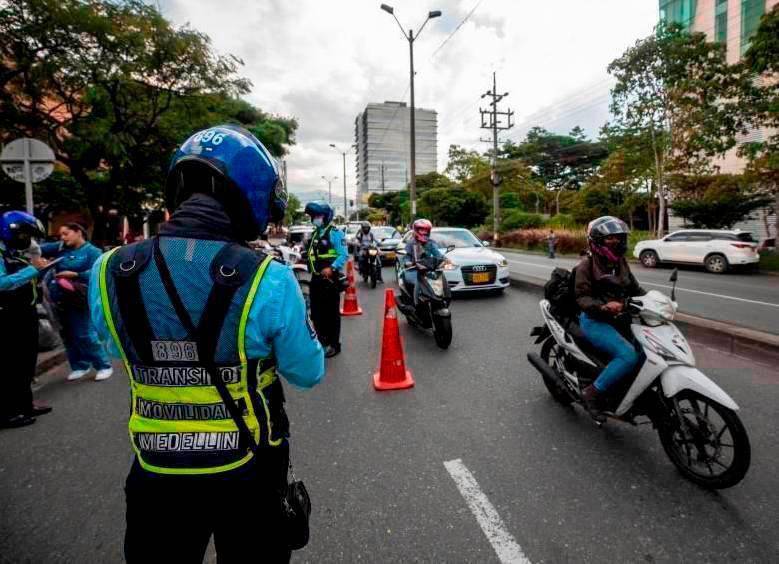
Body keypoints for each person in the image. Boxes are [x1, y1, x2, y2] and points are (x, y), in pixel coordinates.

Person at [88, 124, 324, 563]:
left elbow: (115, 350)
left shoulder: (107, 271)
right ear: (252, 194)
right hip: (249, 468)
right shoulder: (266, 278)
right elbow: (308, 372)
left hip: (156, 472)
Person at [574, 216, 645, 422]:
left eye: (620, 238)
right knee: (628, 355)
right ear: (597, 241)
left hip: (620, 318)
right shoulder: (586, 265)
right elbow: (582, 297)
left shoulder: (621, 263)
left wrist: (656, 302)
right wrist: (603, 306)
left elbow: (635, 289)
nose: (617, 242)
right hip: (595, 320)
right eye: (611, 238)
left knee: (647, 352)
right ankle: (592, 393)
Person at [0, 211, 53, 429]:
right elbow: (2, 283)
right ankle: (8, 413)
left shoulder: (12, 251)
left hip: (24, 312)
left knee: (25, 362)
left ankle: (25, 404)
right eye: (24, 235)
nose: (27, 240)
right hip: (6, 316)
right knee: (10, 365)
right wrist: (34, 269)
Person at [41, 223, 113, 382]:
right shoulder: (60, 247)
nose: (62, 238)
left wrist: (75, 274)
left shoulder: (92, 251)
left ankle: (103, 365)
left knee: (84, 334)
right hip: (59, 298)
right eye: (61, 235)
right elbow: (37, 249)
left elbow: (99, 272)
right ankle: (80, 365)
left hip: (79, 298)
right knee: (67, 334)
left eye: (66, 233)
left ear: (78, 232)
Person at [304, 201, 347, 358]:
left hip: (330, 279)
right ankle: (322, 342)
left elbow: (343, 254)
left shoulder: (335, 233)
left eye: (317, 216)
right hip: (316, 278)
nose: (314, 219)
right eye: (313, 216)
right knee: (316, 312)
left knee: (331, 314)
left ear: (326, 216)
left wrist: (332, 267)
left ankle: (334, 345)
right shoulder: (315, 233)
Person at [400, 218, 443, 305]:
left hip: (427, 269)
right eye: (421, 229)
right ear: (416, 230)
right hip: (414, 270)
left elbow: (438, 254)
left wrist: (445, 260)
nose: (424, 232)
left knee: (438, 283)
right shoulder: (411, 243)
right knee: (416, 284)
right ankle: (415, 304)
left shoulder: (430, 243)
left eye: (426, 230)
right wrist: (407, 263)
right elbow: (406, 256)